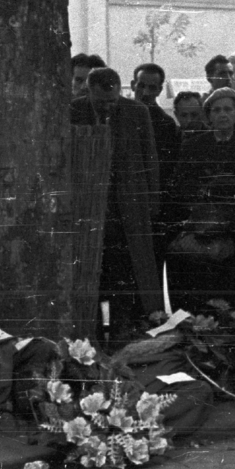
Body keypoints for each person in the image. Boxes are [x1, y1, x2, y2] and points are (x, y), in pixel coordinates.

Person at [71, 66, 164, 329]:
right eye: (100, 103)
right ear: (88, 91)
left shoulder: (137, 112)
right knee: (91, 275)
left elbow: (150, 159)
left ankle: (124, 329)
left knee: (127, 274)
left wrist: (151, 204)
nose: (107, 109)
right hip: (88, 210)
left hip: (128, 209)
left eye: (112, 102)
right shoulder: (73, 111)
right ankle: (93, 332)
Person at [165, 88, 235, 309]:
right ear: (208, 115)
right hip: (203, 227)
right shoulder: (194, 145)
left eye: (228, 109)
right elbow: (181, 184)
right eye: (216, 110)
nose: (223, 114)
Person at [132, 62, 182, 191]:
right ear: (133, 85)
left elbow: (165, 167)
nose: (146, 92)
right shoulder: (120, 115)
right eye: (141, 86)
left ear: (159, 90)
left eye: (152, 87)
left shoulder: (166, 123)